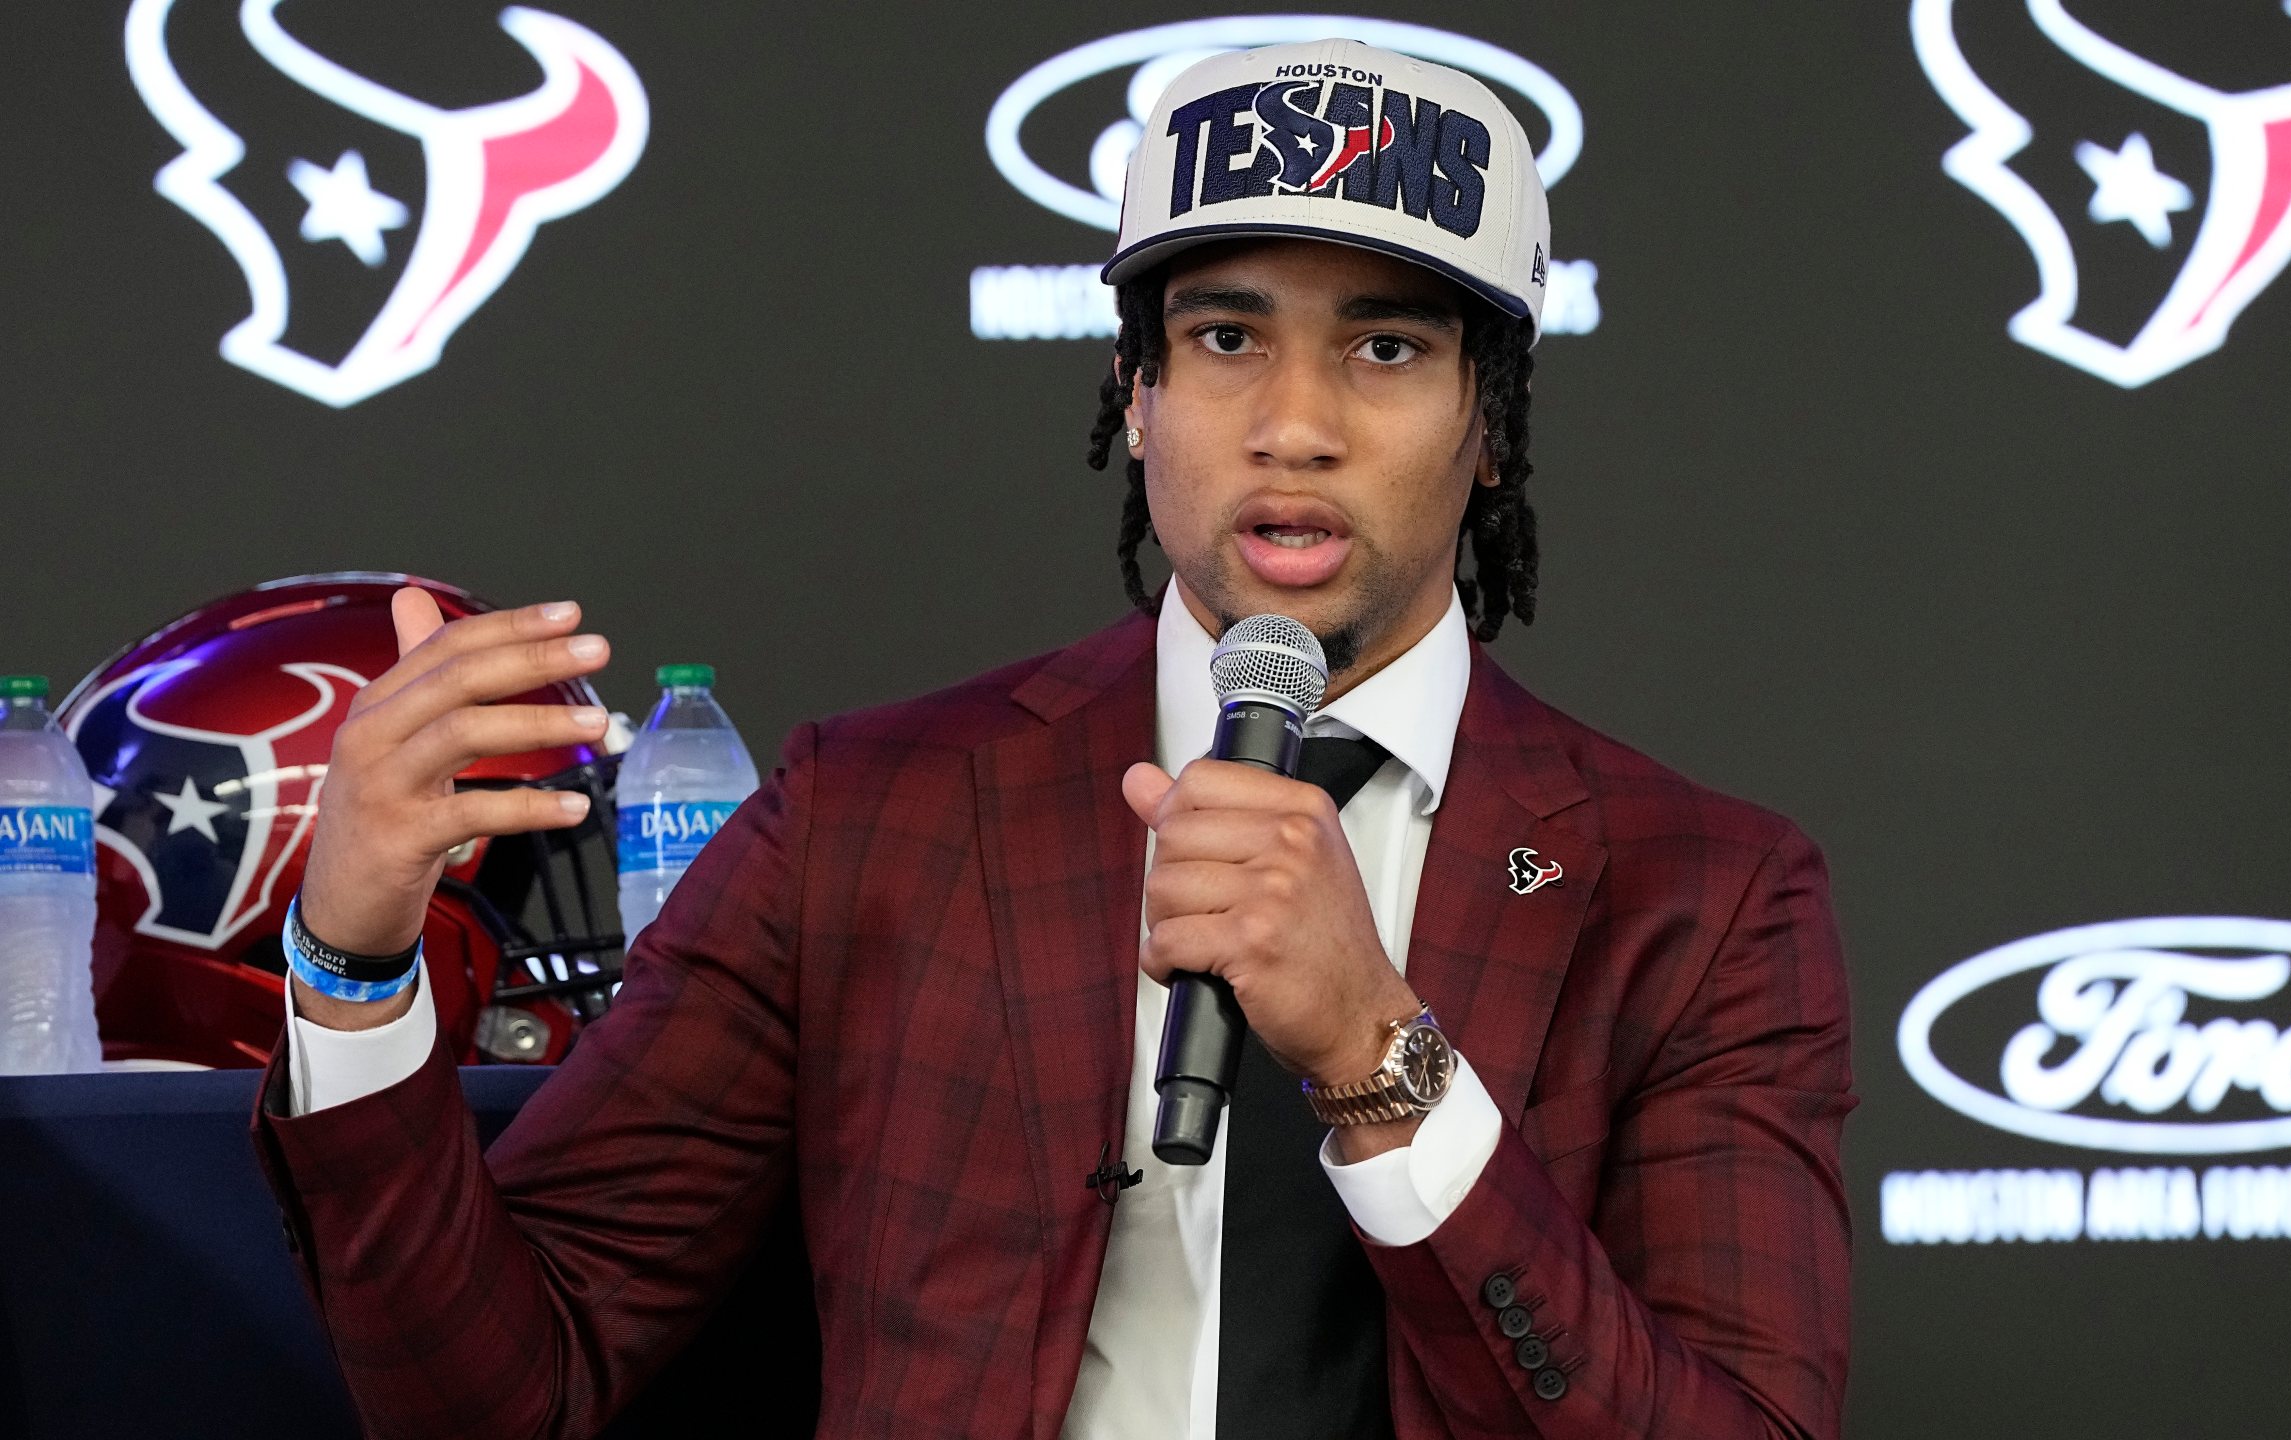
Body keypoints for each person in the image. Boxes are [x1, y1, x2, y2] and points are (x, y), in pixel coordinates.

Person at [255, 39, 1855, 1440]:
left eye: (1385, 347)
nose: (1296, 421)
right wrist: (352, 963)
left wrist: (1384, 1063)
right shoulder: (872, 815)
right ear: (1136, 390)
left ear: (1491, 420)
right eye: (1227, 338)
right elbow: (501, 1391)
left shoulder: (1701, 892)